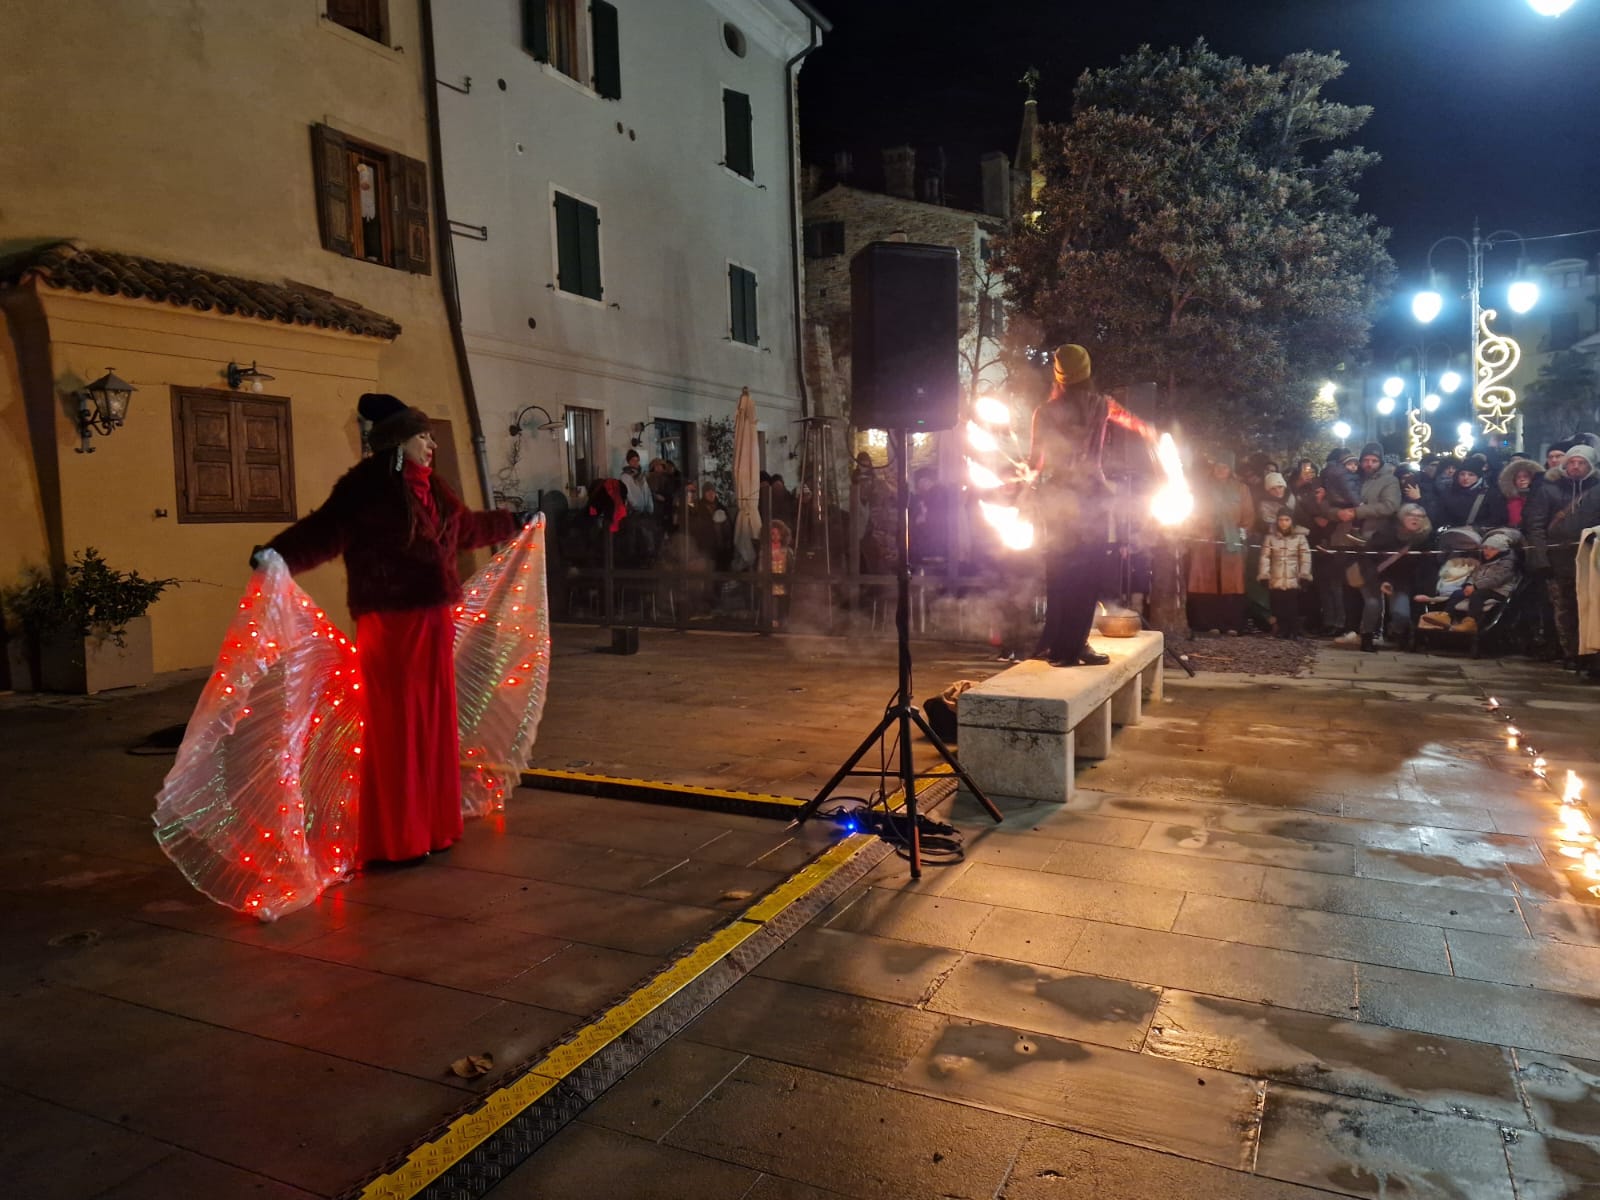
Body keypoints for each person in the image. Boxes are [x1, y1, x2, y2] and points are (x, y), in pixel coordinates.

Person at [259, 393, 530, 866]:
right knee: (397, 726)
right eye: (423, 437)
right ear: (400, 441)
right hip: (391, 622)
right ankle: (397, 839)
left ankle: (433, 827)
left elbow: (466, 530)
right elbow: (324, 531)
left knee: (433, 721)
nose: (432, 445)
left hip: (433, 618)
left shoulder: (434, 488)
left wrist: (513, 522)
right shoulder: (366, 486)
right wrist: (278, 554)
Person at [1025, 344, 1138, 666]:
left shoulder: (1044, 412)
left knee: (1059, 573)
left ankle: (1056, 645)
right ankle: (1071, 648)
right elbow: (1136, 424)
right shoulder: (1101, 405)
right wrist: (1157, 436)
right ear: (1087, 371)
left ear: (1059, 374)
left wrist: (1021, 480)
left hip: (1058, 499)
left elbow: (1035, 462)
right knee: (1086, 577)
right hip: (1091, 498)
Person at [1533, 443, 1600, 668]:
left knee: (1590, 607)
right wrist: (1541, 558)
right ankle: (1571, 653)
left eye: (1581, 463)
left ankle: (1590, 652)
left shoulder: (1596, 489)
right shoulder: (1549, 489)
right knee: (1564, 608)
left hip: (1590, 559)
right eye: (1572, 462)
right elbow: (1536, 525)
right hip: (1558, 558)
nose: (1576, 466)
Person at [1186, 451, 1255, 635]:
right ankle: (1208, 623)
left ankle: (1231, 624)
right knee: (1206, 580)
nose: (1221, 470)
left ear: (1230, 469)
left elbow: (1248, 514)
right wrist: (1197, 529)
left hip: (1231, 539)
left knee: (1232, 582)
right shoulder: (1202, 488)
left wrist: (1241, 534)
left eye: (1225, 467)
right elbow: (1193, 510)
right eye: (1218, 466)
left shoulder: (1241, 489)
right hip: (1205, 538)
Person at [1257, 510, 1311, 639]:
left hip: (1293, 575)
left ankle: (1294, 629)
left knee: (1292, 604)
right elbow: (1265, 557)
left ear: (1292, 521)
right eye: (1281, 520)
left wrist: (1304, 575)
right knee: (1278, 604)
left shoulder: (1300, 537)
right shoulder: (1270, 537)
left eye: (1287, 520)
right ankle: (1282, 629)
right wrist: (1264, 575)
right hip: (1276, 575)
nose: (1284, 523)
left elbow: (1305, 557)